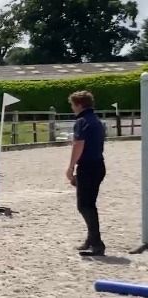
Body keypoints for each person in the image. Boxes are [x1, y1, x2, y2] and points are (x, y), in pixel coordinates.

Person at [66, 91, 106, 256]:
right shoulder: (97, 121)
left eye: (73, 105)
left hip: (87, 167)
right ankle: (91, 240)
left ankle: (97, 243)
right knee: (90, 204)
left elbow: (79, 145)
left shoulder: (81, 121)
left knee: (84, 206)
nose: (72, 108)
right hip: (98, 165)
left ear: (79, 104)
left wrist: (70, 167)